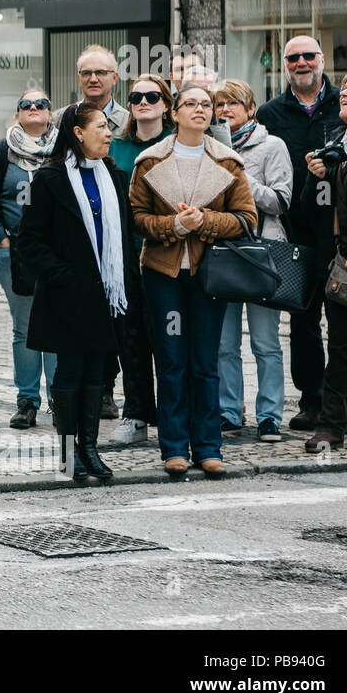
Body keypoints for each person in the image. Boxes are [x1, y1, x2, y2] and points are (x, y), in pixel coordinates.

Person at [130, 85, 257, 479]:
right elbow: (137, 217)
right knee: (171, 360)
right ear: (175, 113)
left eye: (207, 105)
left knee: (205, 360)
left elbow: (246, 219)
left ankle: (208, 446)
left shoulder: (229, 163)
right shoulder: (150, 161)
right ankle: (173, 446)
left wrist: (205, 221)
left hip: (208, 275)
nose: (200, 110)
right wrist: (173, 225)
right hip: (162, 274)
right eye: (191, 104)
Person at [20, 102, 138, 483]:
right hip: (68, 294)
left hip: (107, 293)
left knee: (98, 371)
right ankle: (70, 453)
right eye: (101, 127)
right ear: (77, 132)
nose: (109, 133)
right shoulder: (48, 179)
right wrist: (62, 275)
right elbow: (30, 241)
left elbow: (123, 237)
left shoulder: (114, 176)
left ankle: (90, 448)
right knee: (70, 369)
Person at [255, 35, 342, 430]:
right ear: (285, 64)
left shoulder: (345, 104)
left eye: (309, 56)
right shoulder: (271, 113)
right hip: (295, 233)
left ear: (322, 59)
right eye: (294, 58)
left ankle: (340, 406)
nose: (302, 63)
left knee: (344, 323)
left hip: (341, 231)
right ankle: (311, 401)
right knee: (303, 323)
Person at [213, 80, 292, 442]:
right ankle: (229, 412)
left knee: (265, 342)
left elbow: (279, 202)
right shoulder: (211, 147)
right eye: (219, 104)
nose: (224, 110)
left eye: (232, 103)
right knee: (225, 344)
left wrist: (240, 177)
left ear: (250, 108)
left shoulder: (272, 145)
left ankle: (269, 416)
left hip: (263, 254)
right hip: (224, 253)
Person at [303, 68, 347, 452]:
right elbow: (317, 207)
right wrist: (319, 175)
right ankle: (332, 425)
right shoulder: (336, 142)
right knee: (343, 350)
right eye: (343, 87)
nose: (344, 93)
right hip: (345, 262)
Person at [0, 88, 58, 427]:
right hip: (14, 253)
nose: (32, 108)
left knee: (58, 325)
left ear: (49, 113)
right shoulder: (0, 152)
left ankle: (60, 397)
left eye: (40, 104)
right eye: (25, 104)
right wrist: (0, 239)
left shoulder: (64, 151)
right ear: (18, 114)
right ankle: (27, 400)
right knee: (25, 329)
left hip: (56, 253)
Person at [105, 73, 172, 443]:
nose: (143, 102)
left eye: (152, 96)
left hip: (169, 253)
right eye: (135, 96)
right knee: (130, 340)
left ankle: (173, 414)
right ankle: (136, 414)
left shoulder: (177, 143)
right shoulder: (116, 147)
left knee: (169, 338)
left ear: (165, 103)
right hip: (126, 256)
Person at [52, 45, 131, 136]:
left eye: (100, 72)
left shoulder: (128, 123)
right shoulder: (59, 119)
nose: (93, 79)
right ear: (79, 79)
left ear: (114, 78)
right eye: (86, 73)